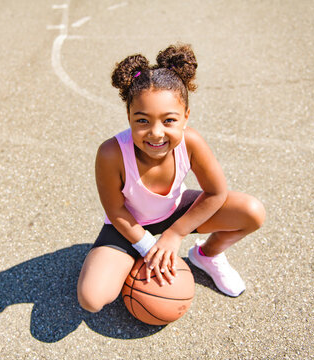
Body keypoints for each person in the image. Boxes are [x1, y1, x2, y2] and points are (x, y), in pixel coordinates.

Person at [77, 44, 265, 313]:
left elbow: (216, 193)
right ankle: (128, 263)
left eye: (168, 120)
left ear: (185, 117)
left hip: (174, 212)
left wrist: (175, 234)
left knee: (252, 212)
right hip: (128, 224)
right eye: (142, 121)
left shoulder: (191, 142)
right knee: (92, 299)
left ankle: (206, 256)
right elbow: (115, 209)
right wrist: (147, 246)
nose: (155, 133)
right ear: (129, 116)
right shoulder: (110, 153)